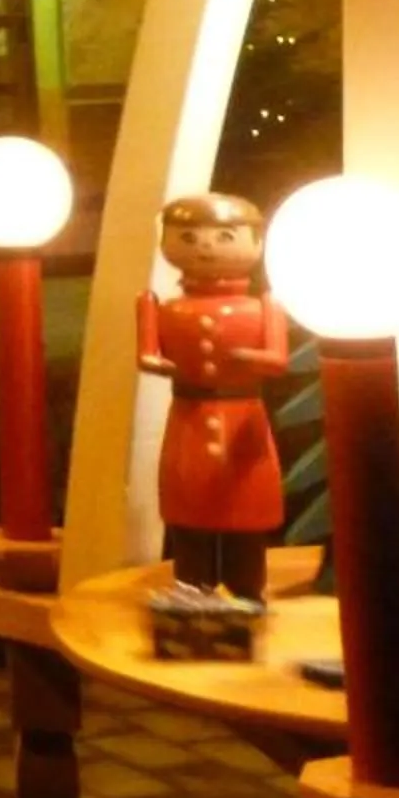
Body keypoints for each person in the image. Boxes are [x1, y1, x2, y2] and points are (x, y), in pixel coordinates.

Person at [138, 190, 291, 599]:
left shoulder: (264, 306)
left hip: (244, 423)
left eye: (225, 236)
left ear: (256, 243)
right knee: (189, 511)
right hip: (188, 417)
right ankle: (192, 594)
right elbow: (148, 355)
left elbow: (278, 360)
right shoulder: (161, 306)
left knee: (247, 511)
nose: (206, 247)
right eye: (189, 238)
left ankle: (247, 593)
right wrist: (160, 363)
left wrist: (253, 358)